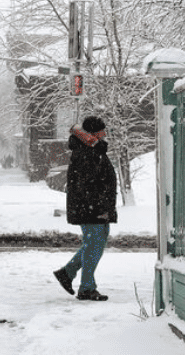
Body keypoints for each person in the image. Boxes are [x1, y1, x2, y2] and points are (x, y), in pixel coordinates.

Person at [52, 115, 117, 301]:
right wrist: (99, 208)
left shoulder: (93, 149)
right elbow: (87, 185)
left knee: (95, 245)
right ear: (94, 133)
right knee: (93, 246)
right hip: (91, 208)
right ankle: (86, 287)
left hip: (96, 207)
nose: (105, 133)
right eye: (102, 130)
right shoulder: (85, 152)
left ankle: (68, 272)